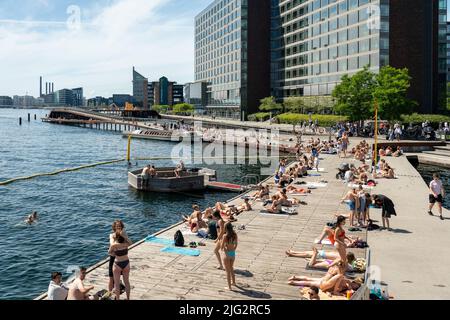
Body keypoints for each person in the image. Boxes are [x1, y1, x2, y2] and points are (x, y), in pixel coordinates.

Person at [108, 220, 132, 293]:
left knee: (122, 279)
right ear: (114, 227)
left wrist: (124, 237)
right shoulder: (112, 235)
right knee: (111, 278)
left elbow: (130, 243)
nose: (118, 227)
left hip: (123, 259)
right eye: (117, 226)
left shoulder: (124, 235)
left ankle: (118, 290)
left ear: (122, 227)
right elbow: (112, 245)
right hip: (113, 258)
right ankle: (110, 294)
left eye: (120, 226)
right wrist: (124, 245)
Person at [221, 222, 238, 290]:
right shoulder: (235, 234)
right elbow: (236, 244)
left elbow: (222, 247)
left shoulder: (225, 236)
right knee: (231, 268)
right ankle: (233, 282)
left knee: (227, 271)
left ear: (226, 228)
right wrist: (233, 249)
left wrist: (225, 247)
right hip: (232, 253)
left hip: (227, 254)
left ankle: (229, 287)